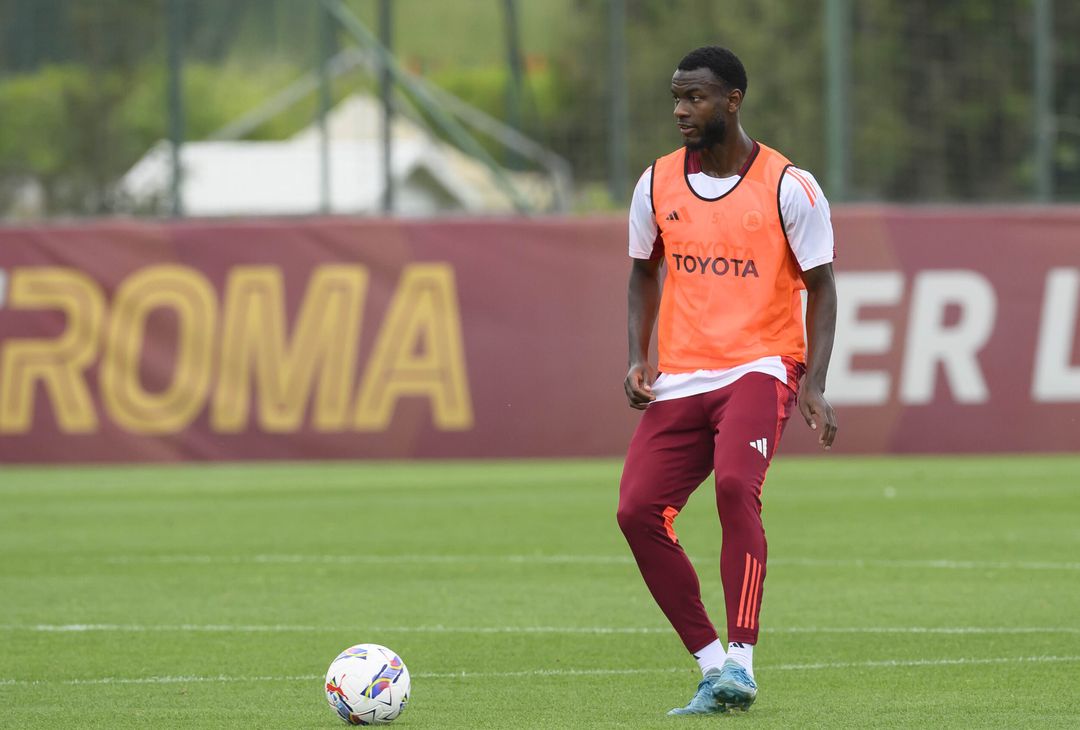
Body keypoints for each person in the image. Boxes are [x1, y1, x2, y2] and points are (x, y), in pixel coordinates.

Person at [617, 46, 838, 716]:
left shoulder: (787, 186)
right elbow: (642, 272)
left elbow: (824, 289)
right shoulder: (655, 183)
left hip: (762, 363)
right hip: (683, 374)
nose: (682, 110)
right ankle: (714, 666)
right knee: (636, 512)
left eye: (696, 98)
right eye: (677, 98)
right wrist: (638, 356)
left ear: (733, 100)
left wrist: (815, 382)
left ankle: (742, 656)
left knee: (738, 486)